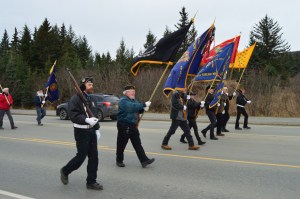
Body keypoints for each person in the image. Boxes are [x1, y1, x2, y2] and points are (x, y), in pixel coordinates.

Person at [60, 76, 103, 190]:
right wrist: (85, 120)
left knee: (94, 157)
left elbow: (93, 115)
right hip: (81, 131)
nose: (92, 86)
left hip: (91, 131)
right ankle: (65, 171)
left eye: (92, 84)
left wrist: (97, 128)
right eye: (89, 85)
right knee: (81, 157)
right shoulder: (75, 99)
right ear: (83, 86)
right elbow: (73, 115)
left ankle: (91, 182)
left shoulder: (91, 99)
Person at [116, 85, 155, 168]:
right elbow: (132, 107)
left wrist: (143, 108)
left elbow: (137, 108)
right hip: (124, 125)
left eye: (134, 91)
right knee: (121, 144)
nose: (134, 92)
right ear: (126, 92)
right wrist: (144, 104)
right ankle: (119, 160)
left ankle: (144, 160)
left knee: (137, 144)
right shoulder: (123, 101)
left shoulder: (133, 100)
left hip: (133, 125)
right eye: (132, 91)